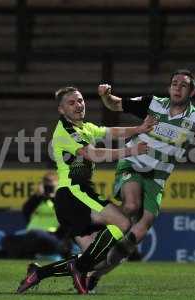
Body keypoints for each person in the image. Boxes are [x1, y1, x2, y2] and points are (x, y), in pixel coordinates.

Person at [94, 69, 195, 272]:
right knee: (132, 205)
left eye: (183, 85)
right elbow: (115, 104)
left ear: (192, 92)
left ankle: (97, 272)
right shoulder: (152, 103)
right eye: (174, 83)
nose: (177, 88)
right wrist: (105, 95)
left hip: (158, 176)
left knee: (145, 223)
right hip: (133, 162)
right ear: (169, 87)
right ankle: (91, 224)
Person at [16, 86, 157, 294]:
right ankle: (78, 269)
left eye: (80, 100)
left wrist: (138, 129)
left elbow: (109, 131)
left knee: (98, 261)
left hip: (71, 199)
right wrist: (131, 150)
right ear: (61, 110)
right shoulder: (66, 131)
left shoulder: (84, 127)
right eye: (71, 103)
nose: (78, 105)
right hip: (73, 192)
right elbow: (92, 154)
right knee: (123, 222)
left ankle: (39, 273)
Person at [2, 171, 72, 259]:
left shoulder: (62, 199)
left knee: (36, 234)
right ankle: (27, 254)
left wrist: (53, 197)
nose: (48, 186)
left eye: (51, 183)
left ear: (57, 184)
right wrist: (38, 196)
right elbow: (26, 210)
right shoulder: (38, 199)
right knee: (7, 239)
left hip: (53, 236)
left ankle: (26, 253)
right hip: (32, 236)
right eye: (46, 183)